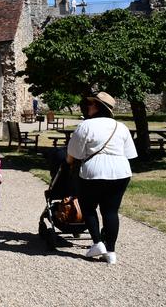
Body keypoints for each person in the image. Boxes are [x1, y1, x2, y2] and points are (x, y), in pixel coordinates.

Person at [66, 91, 137, 265]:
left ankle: (98, 242)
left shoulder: (86, 126)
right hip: (120, 172)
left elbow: (73, 154)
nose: (88, 107)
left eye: (90, 104)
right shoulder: (121, 127)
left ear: (97, 106)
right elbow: (129, 154)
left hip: (93, 172)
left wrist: (69, 163)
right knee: (111, 211)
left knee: (89, 208)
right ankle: (111, 251)